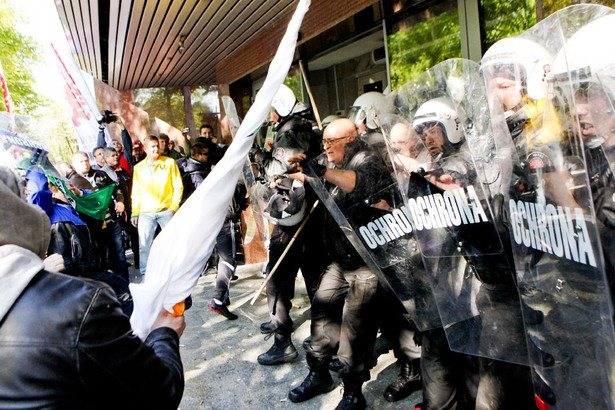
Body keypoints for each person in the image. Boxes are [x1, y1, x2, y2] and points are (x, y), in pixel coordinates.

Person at [0, 167, 185, 409]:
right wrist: (164, 334)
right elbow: (161, 393)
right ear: (18, 210)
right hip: (81, 274)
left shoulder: (70, 208)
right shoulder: (80, 303)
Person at [288, 118, 393, 409]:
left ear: (349, 139)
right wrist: (302, 171)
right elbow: (323, 178)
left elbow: (354, 182)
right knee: (322, 310)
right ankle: (318, 373)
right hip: (341, 258)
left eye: (330, 142)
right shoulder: (335, 160)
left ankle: (353, 392)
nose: (325, 147)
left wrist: (322, 169)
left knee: (355, 330)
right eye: (323, 142)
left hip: (366, 262)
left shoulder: (368, 160)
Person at [253, 84, 325, 366]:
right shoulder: (301, 125)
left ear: (280, 105)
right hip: (307, 210)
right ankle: (323, 335)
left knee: (279, 278)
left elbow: (277, 167)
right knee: (314, 277)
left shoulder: (292, 129)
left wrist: (258, 155)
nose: (269, 117)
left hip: (296, 213)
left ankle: (282, 341)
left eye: (270, 110)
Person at [69, 151, 128, 281]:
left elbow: (116, 189)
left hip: (111, 221)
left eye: (86, 160)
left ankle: (126, 285)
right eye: (81, 162)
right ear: (74, 165)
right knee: (104, 258)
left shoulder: (100, 174)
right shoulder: (72, 183)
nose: (85, 163)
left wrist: (120, 201)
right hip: (95, 227)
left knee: (120, 255)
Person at [131, 135, 183, 275]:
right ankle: (145, 273)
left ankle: (176, 270)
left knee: (172, 242)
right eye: (152, 146)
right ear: (145, 149)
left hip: (166, 210)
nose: (156, 149)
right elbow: (136, 191)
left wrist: (174, 206)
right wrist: (135, 212)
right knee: (144, 245)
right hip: (146, 213)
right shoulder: (139, 168)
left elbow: (178, 186)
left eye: (157, 146)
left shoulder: (169, 163)